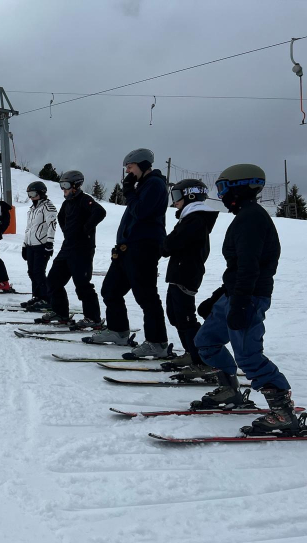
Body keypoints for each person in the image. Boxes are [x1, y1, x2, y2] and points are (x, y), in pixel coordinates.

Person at [191, 165, 300, 435]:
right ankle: (229, 390)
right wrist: (218, 297)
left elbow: (250, 267)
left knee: (248, 356)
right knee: (206, 341)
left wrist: (240, 304)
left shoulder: (251, 219)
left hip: (249, 296)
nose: (221, 195)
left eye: (223, 188)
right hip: (235, 294)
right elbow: (238, 267)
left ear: (239, 188)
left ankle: (284, 414)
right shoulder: (245, 216)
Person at [89, 148, 169, 357]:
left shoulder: (155, 184)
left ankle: (157, 343)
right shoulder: (143, 185)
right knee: (111, 290)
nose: (127, 172)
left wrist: (129, 192)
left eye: (130, 167)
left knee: (146, 295)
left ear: (143, 165)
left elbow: (141, 212)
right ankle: (118, 331)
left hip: (144, 247)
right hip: (127, 249)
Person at [159, 179, 218, 374]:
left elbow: (172, 243)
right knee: (175, 315)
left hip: (186, 274)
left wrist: (165, 245)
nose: (174, 201)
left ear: (191, 195)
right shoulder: (190, 218)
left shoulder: (195, 219)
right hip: (179, 272)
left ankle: (202, 360)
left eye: (177, 196)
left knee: (185, 318)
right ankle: (191, 352)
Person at [39, 171, 105, 326]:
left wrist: (85, 229)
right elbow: (61, 217)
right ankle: (60, 312)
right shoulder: (67, 203)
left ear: (76, 186)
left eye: (66, 185)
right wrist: (68, 233)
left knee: (82, 284)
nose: (63, 189)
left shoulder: (85, 200)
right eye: (61, 185)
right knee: (53, 280)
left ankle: (93, 318)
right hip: (67, 248)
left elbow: (100, 212)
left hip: (82, 249)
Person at [20, 181, 57, 310]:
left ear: (41, 193)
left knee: (39, 272)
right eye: (29, 194)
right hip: (31, 245)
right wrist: (24, 245)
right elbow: (28, 228)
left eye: (33, 194)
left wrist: (49, 243)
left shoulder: (48, 206)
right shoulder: (32, 209)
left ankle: (46, 298)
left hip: (42, 245)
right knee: (31, 272)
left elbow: (52, 225)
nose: (31, 197)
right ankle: (37, 296)